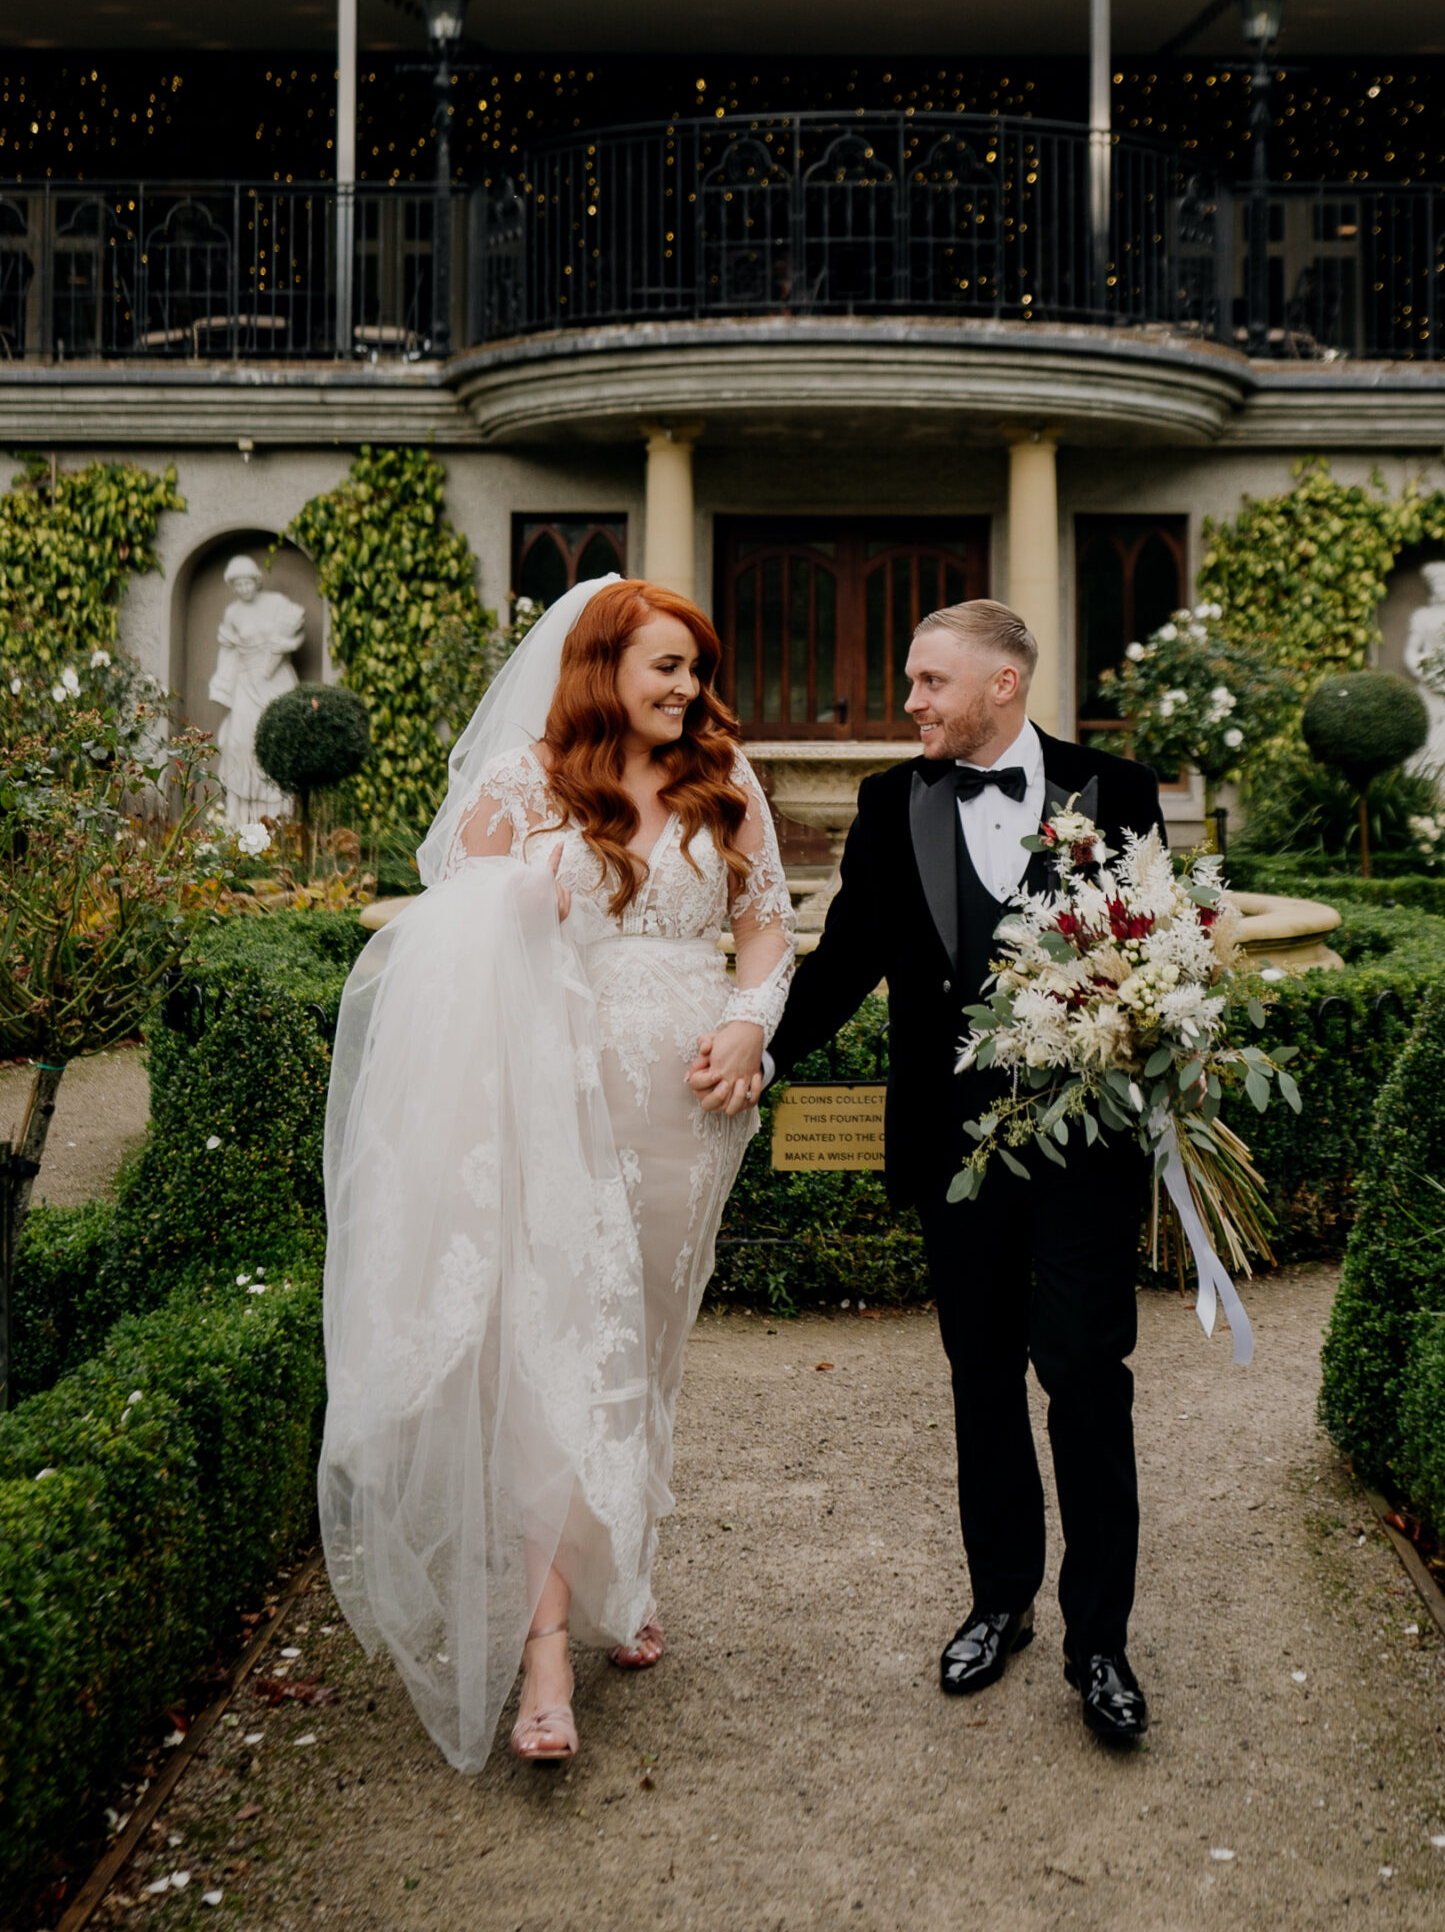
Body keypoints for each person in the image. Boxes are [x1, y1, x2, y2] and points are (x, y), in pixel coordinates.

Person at [319, 575, 793, 1772]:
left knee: (645, 1344)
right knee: (553, 1355)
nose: (688, 687)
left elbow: (767, 925)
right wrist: (509, 908)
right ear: (602, 667)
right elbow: (442, 945)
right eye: (666, 667)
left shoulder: (726, 782)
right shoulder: (522, 786)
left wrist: (750, 1023)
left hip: (690, 1105)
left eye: (696, 667)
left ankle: (621, 1565)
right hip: (552, 1098)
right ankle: (543, 1658)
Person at [759, 599, 1166, 1749]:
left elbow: (1152, 945)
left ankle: (1102, 1641)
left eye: (930, 681)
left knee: (1089, 1379)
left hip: (1083, 1152)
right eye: (909, 681)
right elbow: (842, 961)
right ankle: (1002, 1604)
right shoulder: (893, 805)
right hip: (954, 1157)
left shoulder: (1117, 790)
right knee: (980, 1378)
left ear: (1003, 683)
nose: (911, 703)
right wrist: (760, 1052)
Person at [207, 552, 306, 826]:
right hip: (246, 680)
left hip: (275, 680)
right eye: (236, 585)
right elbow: (228, 648)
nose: (242, 589)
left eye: (246, 583)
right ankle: (242, 820)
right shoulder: (232, 612)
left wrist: (282, 646)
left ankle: (277, 819)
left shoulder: (277, 603)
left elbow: (294, 638)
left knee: (275, 740)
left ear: (256, 580)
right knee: (240, 741)